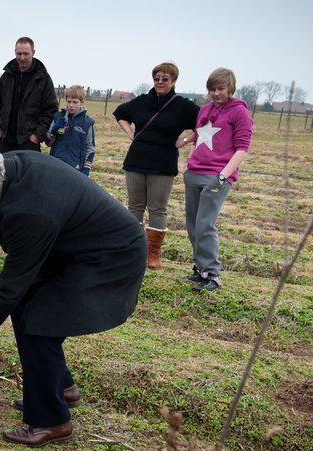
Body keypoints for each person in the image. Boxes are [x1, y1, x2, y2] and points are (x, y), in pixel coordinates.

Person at [0, 144, 146, 446]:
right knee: (30, 312)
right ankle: (61, 388)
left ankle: (52, 422)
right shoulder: (8, 166)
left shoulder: (30, 211)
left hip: (108, 257)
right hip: (75, 244)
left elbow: (10, 286)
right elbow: (2, 205)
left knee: (39, 323)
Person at [113, 62, 199, 269]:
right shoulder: (142, 101)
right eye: (157, 78)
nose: (160, 82)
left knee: (157, 209)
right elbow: (120, 113)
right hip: (136, 160)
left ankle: (153, 254)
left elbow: (205, 124)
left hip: (163, 163)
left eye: (165, 79)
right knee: (134, 207)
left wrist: (185, 141)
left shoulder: (183, 106)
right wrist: (130, 133)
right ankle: (132, 251)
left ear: (174, 81)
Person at [183, 68, 253, 292]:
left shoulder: (239, 112)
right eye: (212, 89)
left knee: (205, 225)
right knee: (193, 225)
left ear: (230, 88)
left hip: (216, 176)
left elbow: (242, 148)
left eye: (220, 88)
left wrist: (223, 175)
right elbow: (199, 135)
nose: (216, 93)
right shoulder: (205, 110)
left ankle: (212, 275)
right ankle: (200, 269)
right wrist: (188, 154)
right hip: (194, 173)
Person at [0, 37, 58, 154]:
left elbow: (50, 111)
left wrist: (36, 136)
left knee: (27, 173)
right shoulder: (6, 76)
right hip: (4, 141)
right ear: (14, 52)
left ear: (33, 53)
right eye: (19, 54)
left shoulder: (43, 79)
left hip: (29, 144)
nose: (22, 58)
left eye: (26, 54)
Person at [45, 85, 96, 175]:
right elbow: (48, 143)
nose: (71, 105)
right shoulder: (58, 117)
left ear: (82, 102)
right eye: (69, 102)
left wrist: (86, 169)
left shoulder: (88, 122)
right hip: (55, 164)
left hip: (75, 168)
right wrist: (53, 131)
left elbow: (90, 148)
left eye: (75, 102)